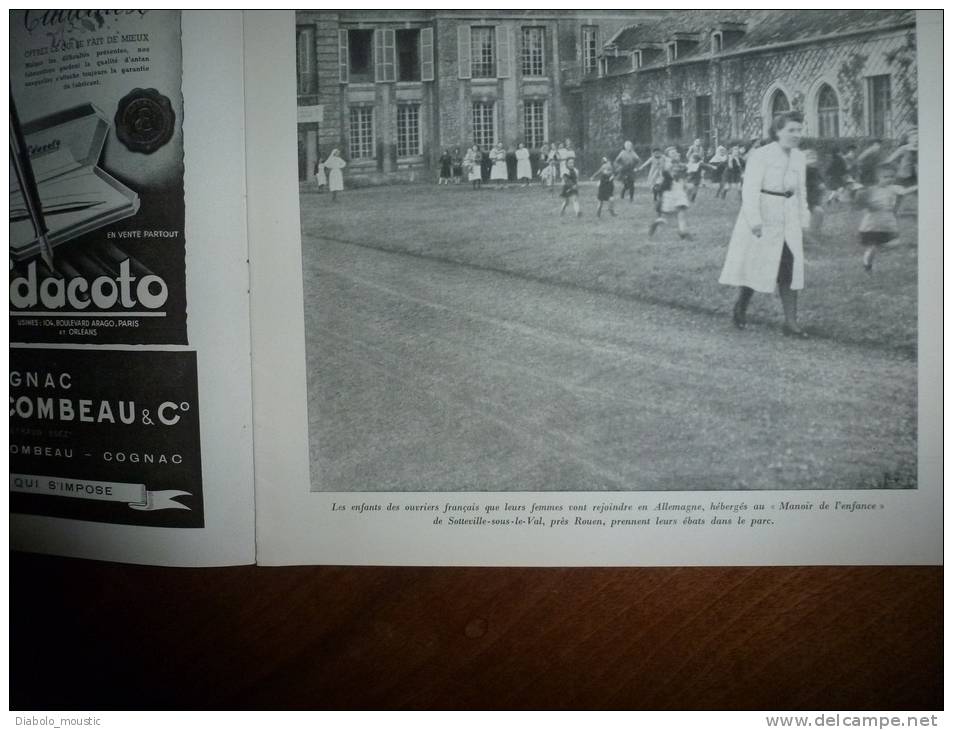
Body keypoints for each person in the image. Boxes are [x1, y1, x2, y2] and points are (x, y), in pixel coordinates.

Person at [719, 111, 811, 337]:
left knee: (788, 267)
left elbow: (801, 190)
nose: (796, 134)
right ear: (777, 131)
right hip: (764, 214)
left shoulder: (799, 158)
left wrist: (803, 217)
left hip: (788, 217)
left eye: (799, 130)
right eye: (791, 130)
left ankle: (791, 323)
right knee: (758, 264)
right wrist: (755, 221)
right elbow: (749, 190)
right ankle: (741, 305)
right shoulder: (761, 155)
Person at [856, 163, 917, 272]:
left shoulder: (895, 188)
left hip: (887, 223)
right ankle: (867, 266)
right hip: (872, 224)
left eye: (892, 177)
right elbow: (861, 203)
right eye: (885, 177)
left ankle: (879, 249)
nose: (889, 179)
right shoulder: (872, 190)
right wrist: (870, 206)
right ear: (878, 178)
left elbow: (905, 191)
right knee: (872, 248)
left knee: (895, 243)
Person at [649, 148, 692, 239]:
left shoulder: (679, 164)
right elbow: (669, 175)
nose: (675, 153)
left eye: (675, 152)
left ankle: (683, 231)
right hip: (672, 193)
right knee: (673, 215)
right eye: (672, 153)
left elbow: (683, 177)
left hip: (678, 193)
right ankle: (681, 230)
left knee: (680, 214)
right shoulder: (668, 165)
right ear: (668, 155)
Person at [885, 129, 918, 214]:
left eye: (917, 138)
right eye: (913, 137)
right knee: (899, 194)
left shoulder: (921, 148)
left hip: (916, 175)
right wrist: (898, 168)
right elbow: (889, 160)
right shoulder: (903, 149)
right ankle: (893, 212)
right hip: (903, 175)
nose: (916, 140)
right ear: (908, 139)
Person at [803, 147, 826, 243]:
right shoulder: (803, 171)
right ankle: (808, 236)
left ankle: (814, 233)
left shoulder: (815, 171)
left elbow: (821, 182)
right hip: (803, 200)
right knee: (817, 212)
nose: (813, 161)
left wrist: (820, 185)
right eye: (810, 158)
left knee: (818, 213)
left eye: (814, 158)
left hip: (812, 198)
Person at [638, 148, 667, 212]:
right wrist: (640, 168)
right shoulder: (652, 158)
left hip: (661, 173)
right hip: (654, 174)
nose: (657, 154)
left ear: (660, 153)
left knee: (660, 184)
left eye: (658, 153)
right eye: (655, 153)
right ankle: (655, 195)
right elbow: (646, 163)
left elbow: (669, 161)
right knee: (654, 185)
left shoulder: (663, 157)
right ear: (653, 154)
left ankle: (660, 196)